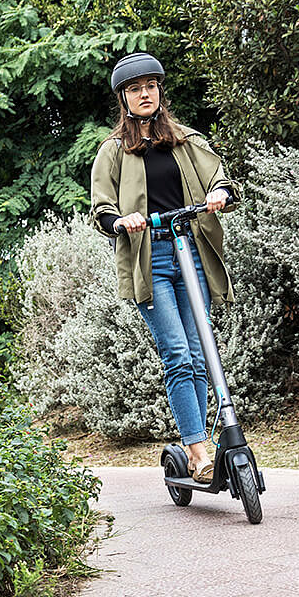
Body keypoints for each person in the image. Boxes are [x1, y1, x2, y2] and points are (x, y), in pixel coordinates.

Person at [89, 52, 240, 483]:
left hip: (190, 252)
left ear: (159, 91)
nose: (145, 94)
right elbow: (101, 208)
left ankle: (203, 443)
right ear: (124, 98)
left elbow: (219, 178)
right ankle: (198, 450)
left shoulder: (186, 139)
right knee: (177, 354)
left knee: (200, 354)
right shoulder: (113, 151)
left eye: (151, 86)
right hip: (149, 258)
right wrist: (121, 220)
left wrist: (219, 195)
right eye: (136, 89)